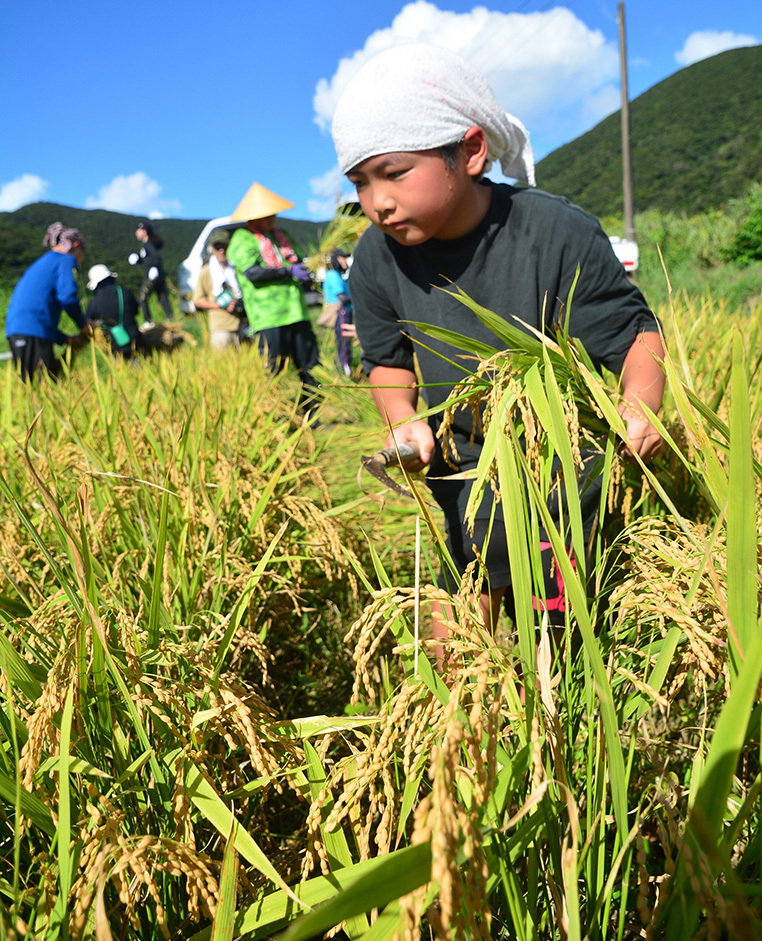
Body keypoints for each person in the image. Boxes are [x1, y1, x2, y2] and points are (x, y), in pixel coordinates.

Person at [331, 42, 665, 648]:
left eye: (395, 173)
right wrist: (403, 420)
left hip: (562, 479)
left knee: (562, 646)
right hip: (463, 481)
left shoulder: (554, 232)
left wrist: (640, 405)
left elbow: (635, 335)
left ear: (471, 151)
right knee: (454, 653)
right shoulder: (375, 259)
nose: (377, 201)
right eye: (361, 181)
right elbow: (387, 362)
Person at [226, 183, 320, 417]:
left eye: (273, 213)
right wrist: (287, 272)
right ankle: (278, 417)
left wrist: (304, 271)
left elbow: (296, 260)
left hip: (296, 312)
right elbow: (253, 273)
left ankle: (313, 413)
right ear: (254, 216)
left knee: (309, 365)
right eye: (266, 214)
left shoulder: (281, 236)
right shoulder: (242, 238)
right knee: (274, 369)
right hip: (268, 317)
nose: (272, 218)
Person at [5, 222, 90, 382]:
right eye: (81, 257)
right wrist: (84, 325)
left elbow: (37, 315)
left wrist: (65, 339)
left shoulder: (43, 262)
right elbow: (68, 297)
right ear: (76, 246)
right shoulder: (66, 259)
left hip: (18, 330)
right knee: (46, 390)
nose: (78, 262)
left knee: (31, 389)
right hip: (32, 332)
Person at [192, 229, 246, 350]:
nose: (222, 251)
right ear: (212, 249)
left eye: (225, 247)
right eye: (218, 247)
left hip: (241, 326)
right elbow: (197, 301)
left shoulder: (237, 270)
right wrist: (220, 305)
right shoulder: (206, 271)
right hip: (220, 329)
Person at [84, 264, 143, 358]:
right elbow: (136, 311)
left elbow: (87, 323)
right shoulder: (125, 292)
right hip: (135, 340)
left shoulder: (94, 302)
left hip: (112, 345)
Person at [129, 222, 172, 328]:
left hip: (152, 274)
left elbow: (156, 257)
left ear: (144, 232)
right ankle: (170, 318)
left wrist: (154, 268)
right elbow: (147, 258)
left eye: (138, 230)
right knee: (162, 296)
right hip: (158, 274)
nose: (136, 233)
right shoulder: (146, 245)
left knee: (142, 296)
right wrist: (138, 259)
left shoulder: (149, 244)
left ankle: (148, 321)